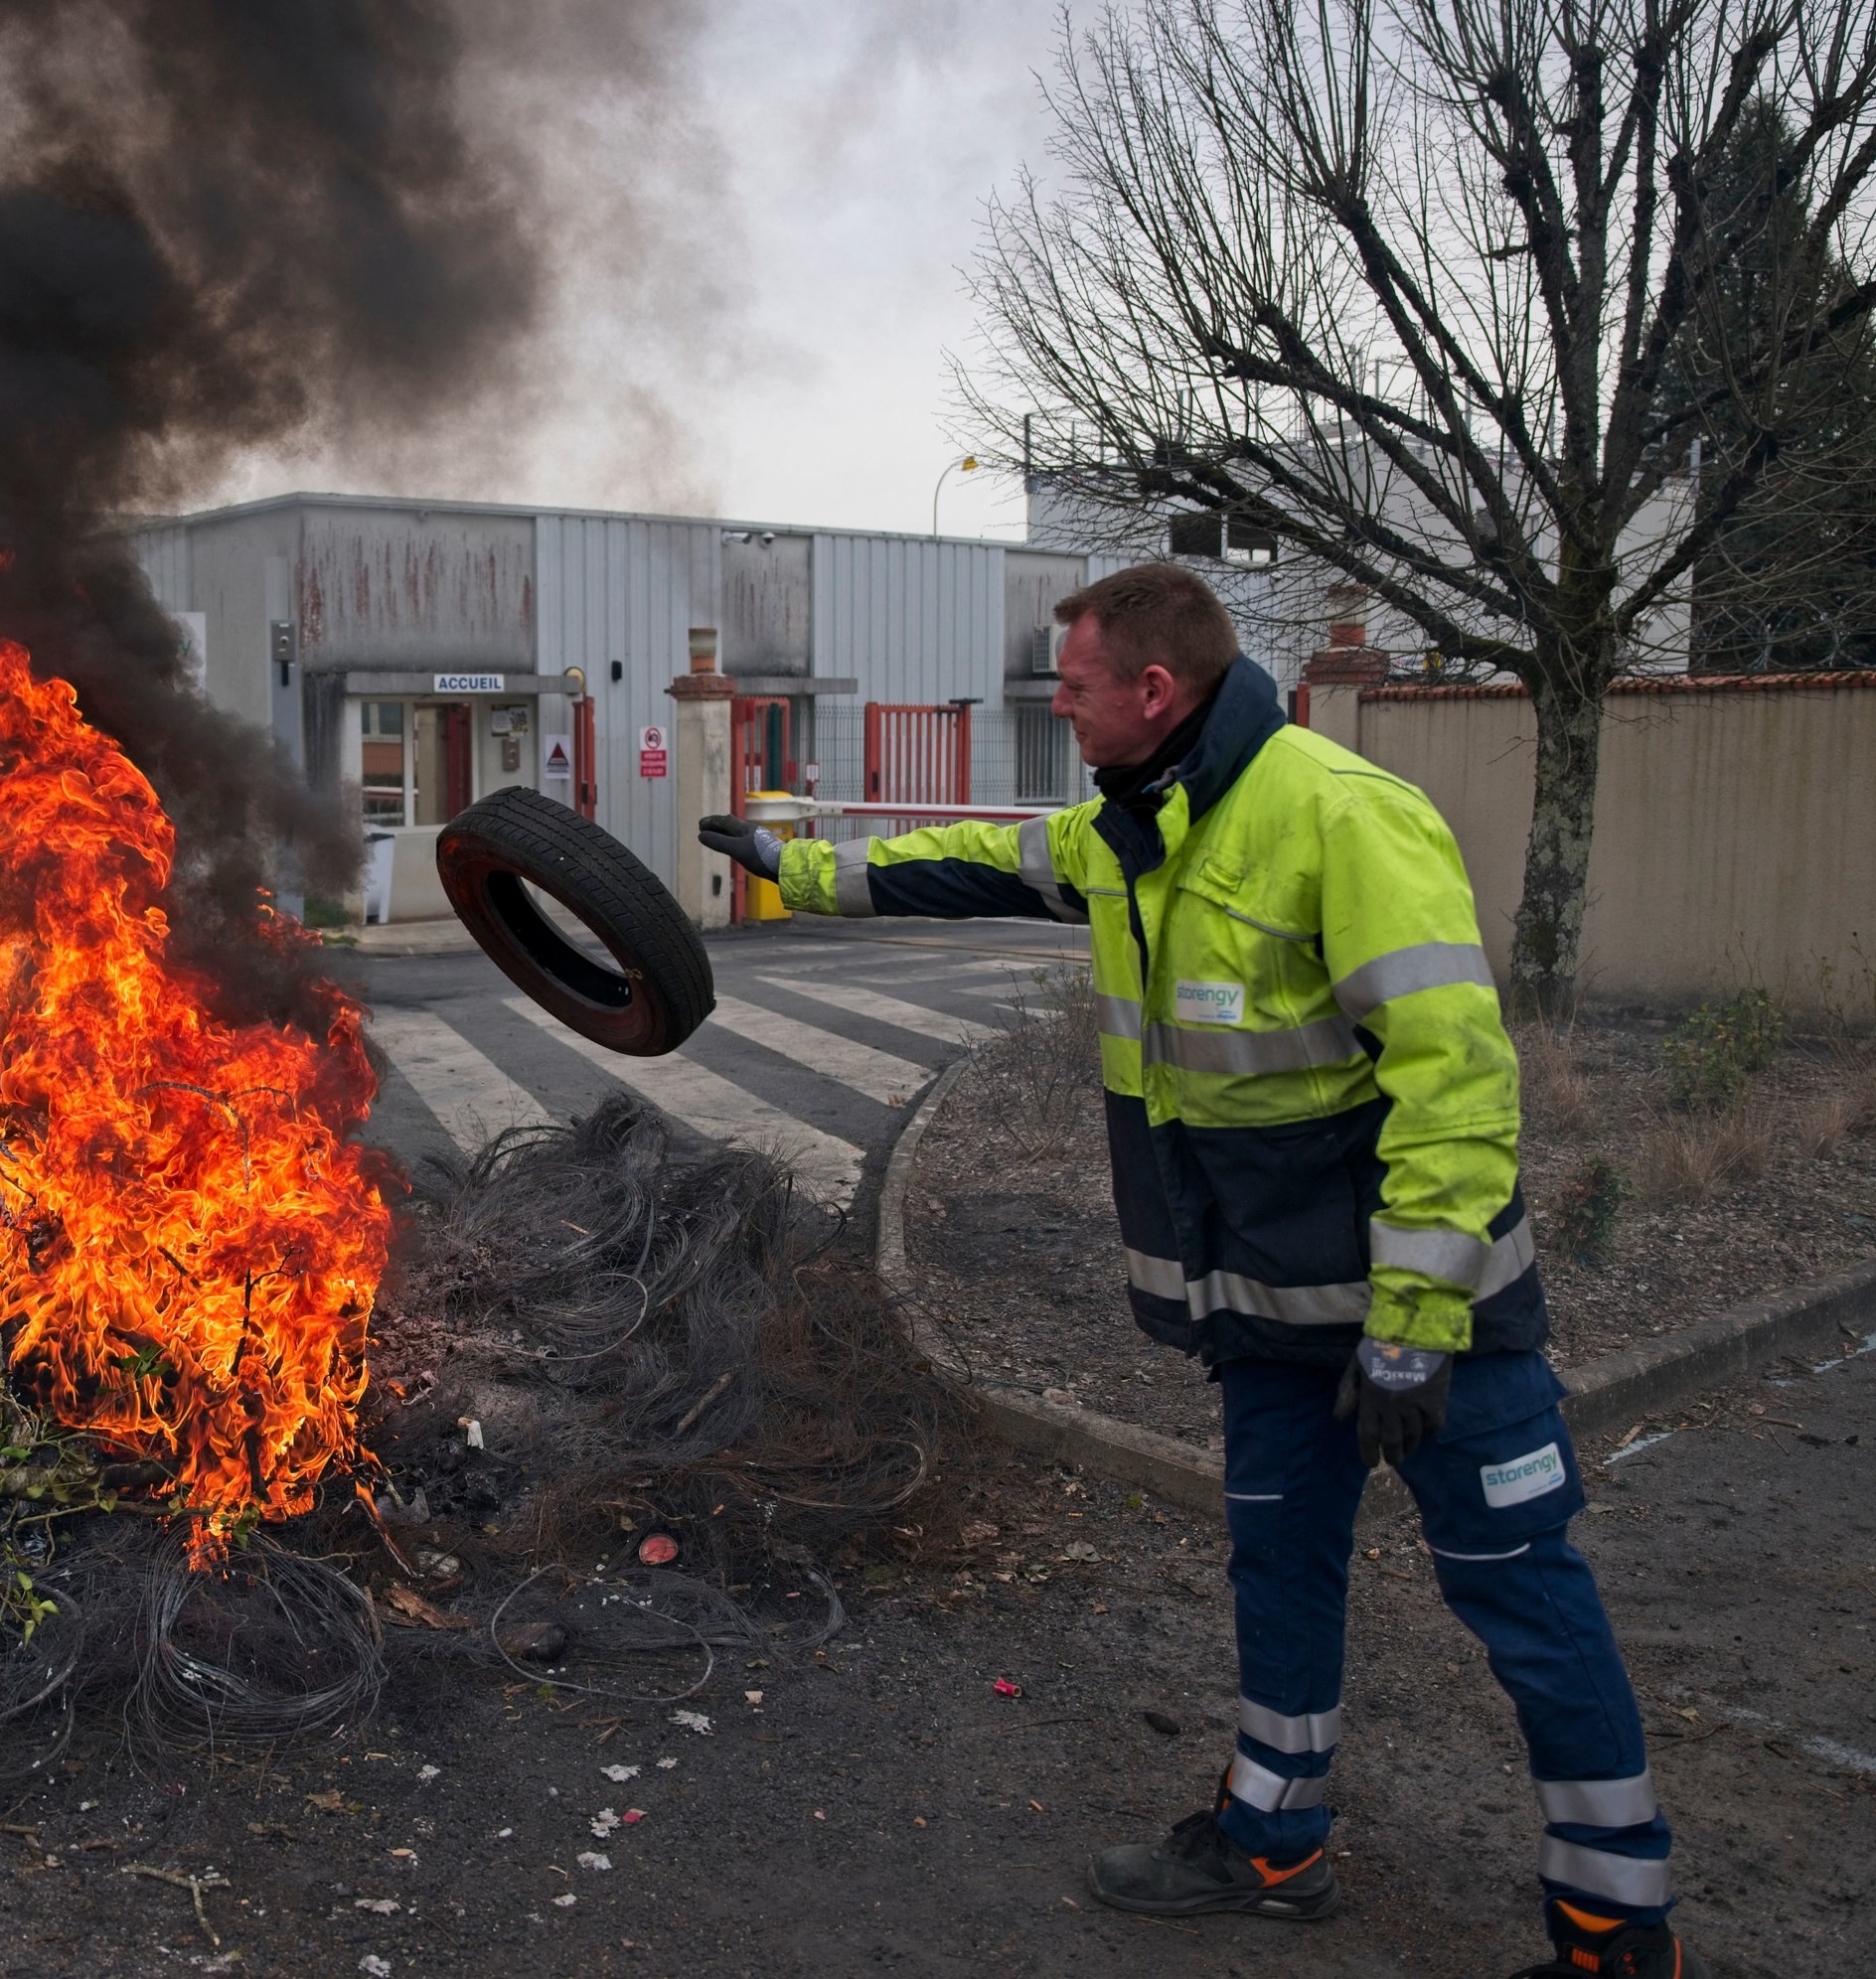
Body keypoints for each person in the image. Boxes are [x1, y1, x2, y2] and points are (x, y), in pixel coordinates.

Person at [700, 563, 1698, 1979]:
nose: (1063, 709)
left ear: (1153, 692)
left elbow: (1459, 1084)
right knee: (1280, 1571)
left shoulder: (1339, 817)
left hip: (1436, 1333)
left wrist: (1413, 1327)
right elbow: (979, 865)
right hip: (1274, 1325)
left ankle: (1616, 1931)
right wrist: (792, 866)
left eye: (1078, 688)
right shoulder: (1132, 827)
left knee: (1525, 1596)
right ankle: (1274, 1845)